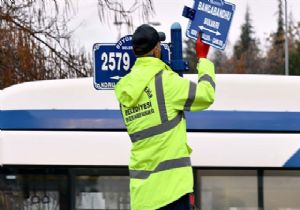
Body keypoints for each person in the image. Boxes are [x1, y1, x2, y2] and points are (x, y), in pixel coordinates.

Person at [114, 24, 215, 210]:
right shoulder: (165, 82)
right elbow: (206, 95)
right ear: (157, 49)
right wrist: (203, 58)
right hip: (172, 192)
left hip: (142, 197)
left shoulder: (124, 89)